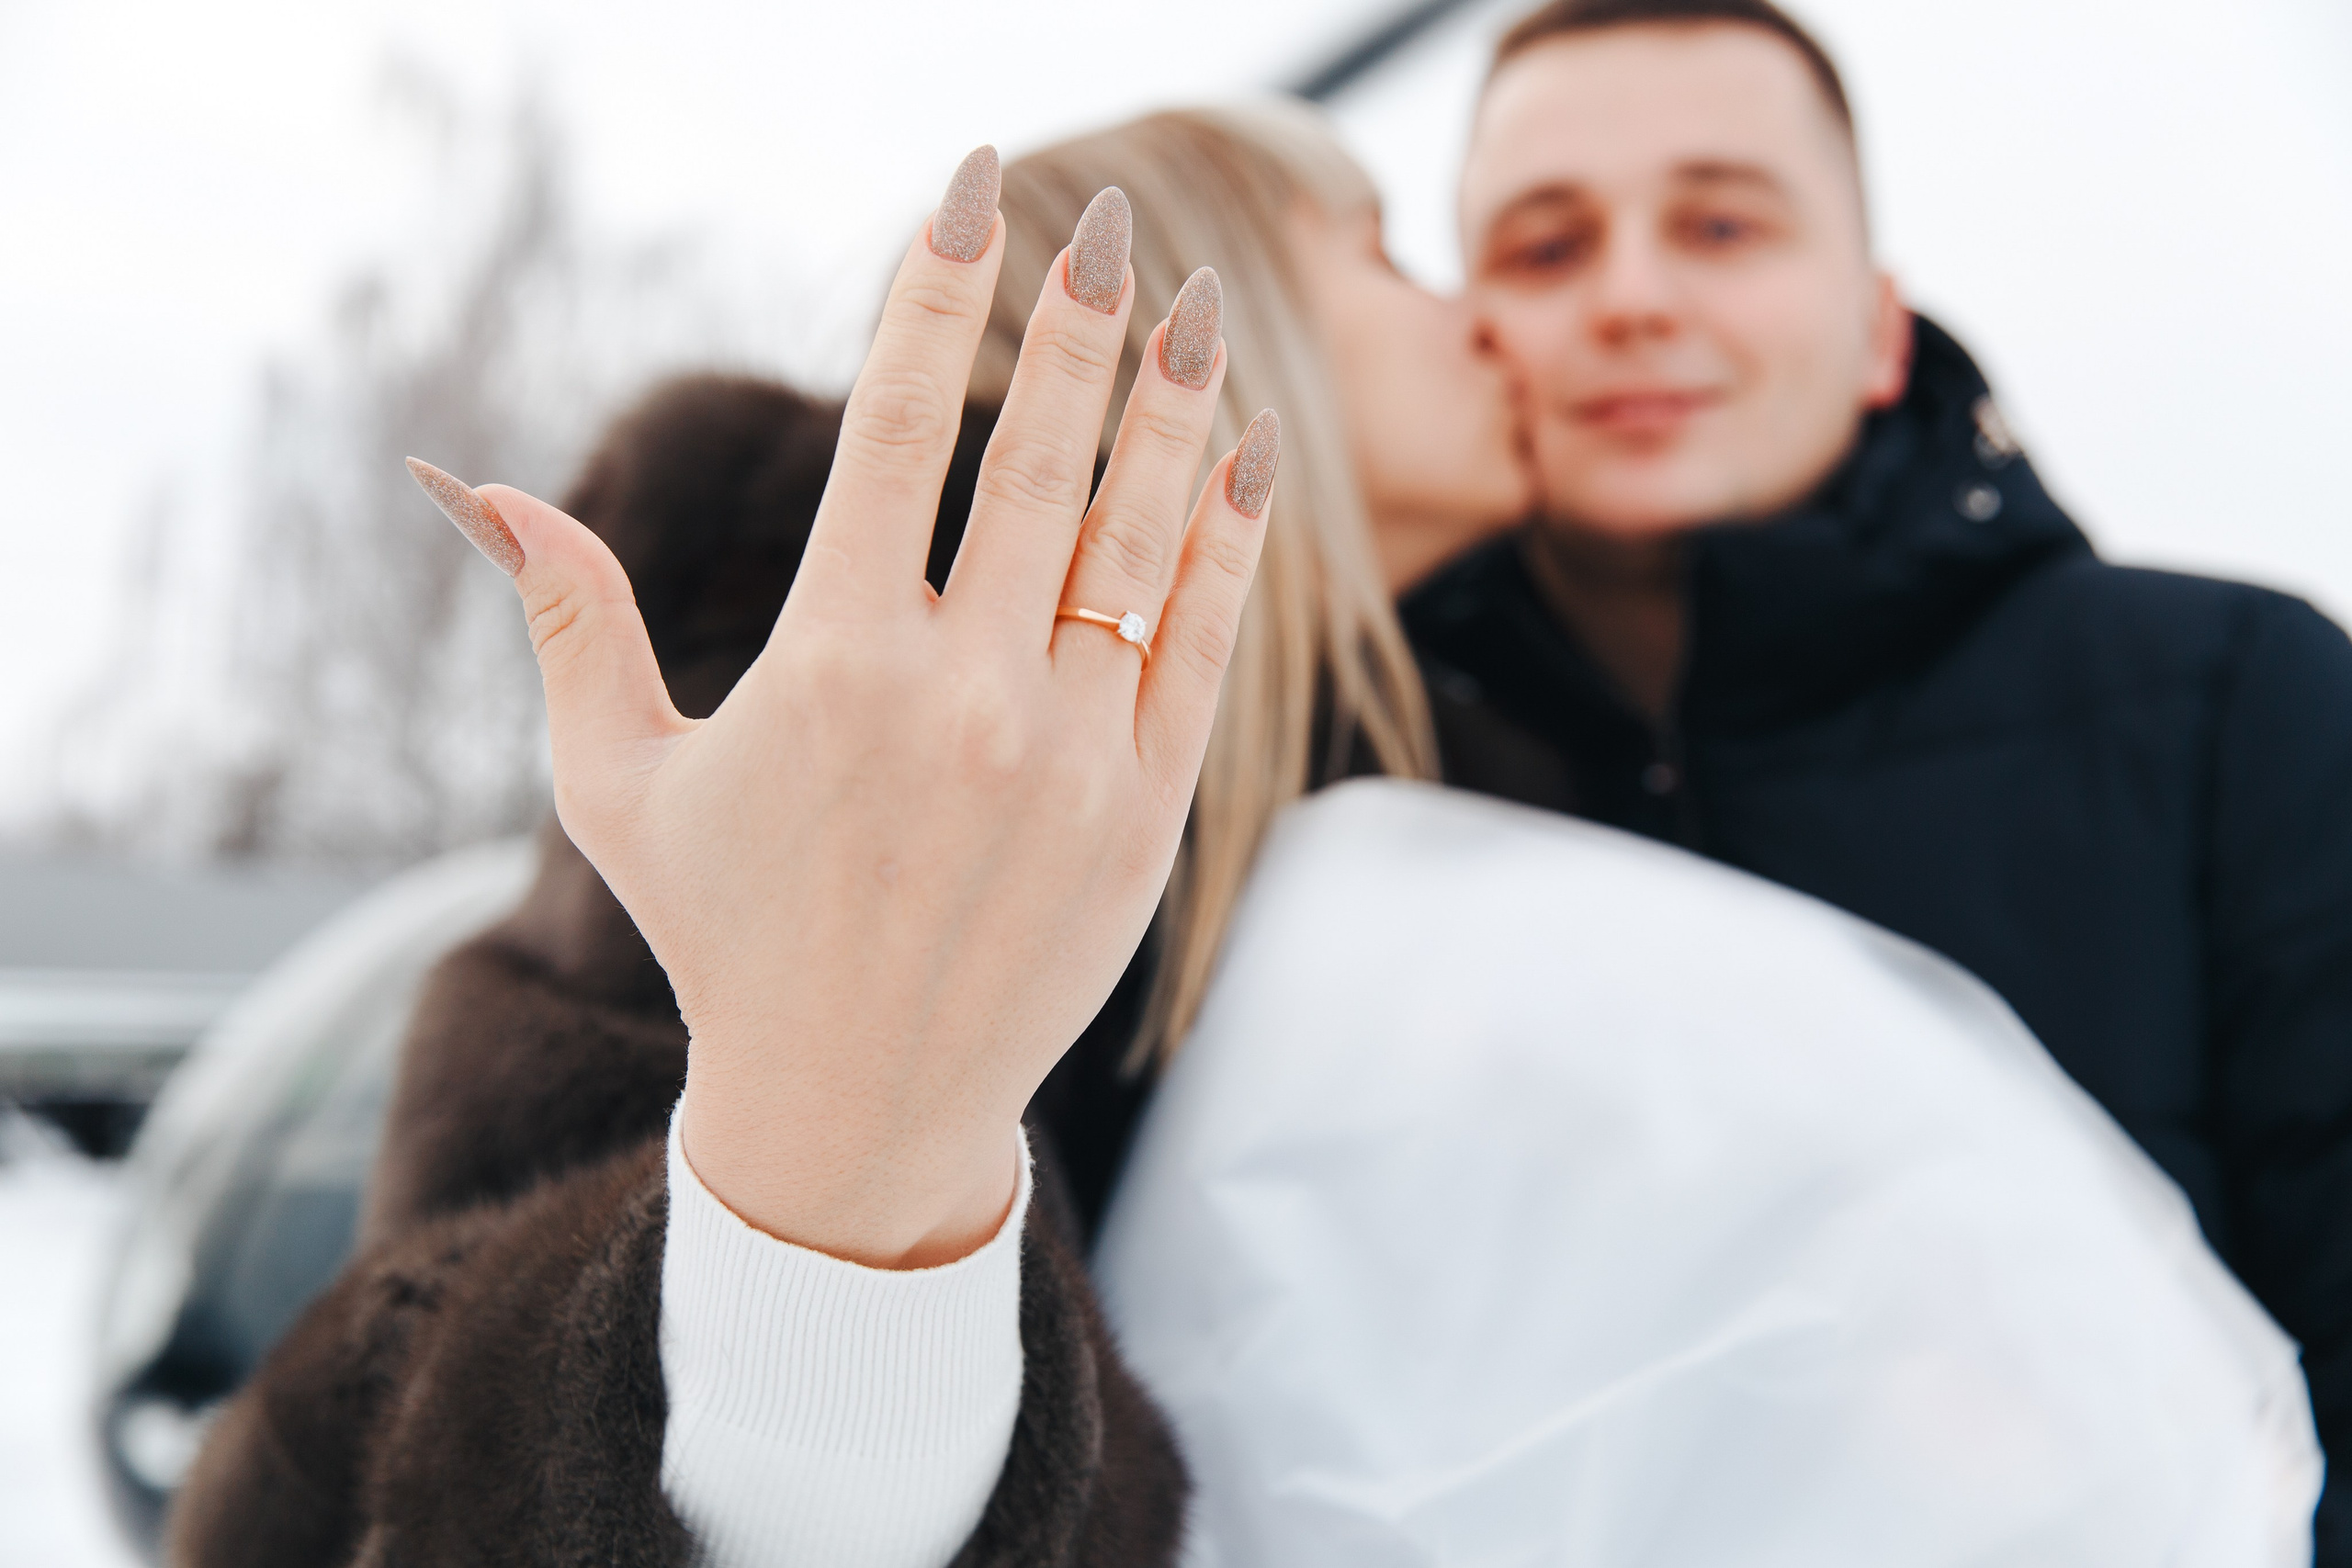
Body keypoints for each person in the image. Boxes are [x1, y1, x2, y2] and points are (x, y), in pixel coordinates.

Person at [165, 107, 2315, 1568]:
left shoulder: (1460, 786)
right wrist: (825, 1208)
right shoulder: (836, 660)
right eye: (1386, 252)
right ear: (1225, 317)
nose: (1492, 312)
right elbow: (392, 1423)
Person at [1401, 4, 2352, 1554]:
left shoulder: (2230, 699)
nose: (1632, 297)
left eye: (1721, 224)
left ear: (1879, 327)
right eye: (1546, 247)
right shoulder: (1376, 799)